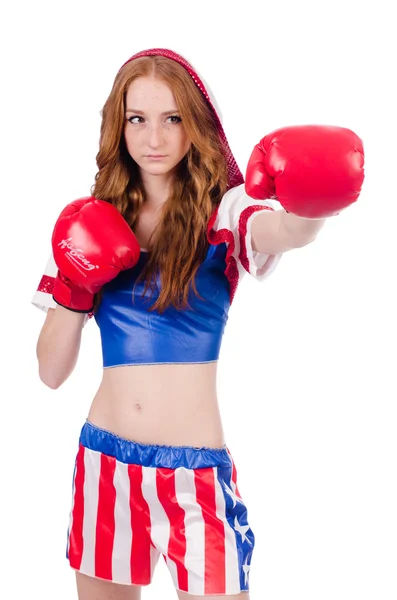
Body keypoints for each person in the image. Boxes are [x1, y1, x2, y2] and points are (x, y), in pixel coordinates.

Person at [32, 48, 364, 600]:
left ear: (195, 124)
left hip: (196, 476)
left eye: (172, 119)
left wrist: (310, 206)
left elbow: (281, 231)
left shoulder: (226, 210)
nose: (154, 138)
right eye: (138, 119)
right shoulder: (90, 219)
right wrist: (73, 283)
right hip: (105, 463)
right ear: (120, 125)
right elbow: (49, 372)